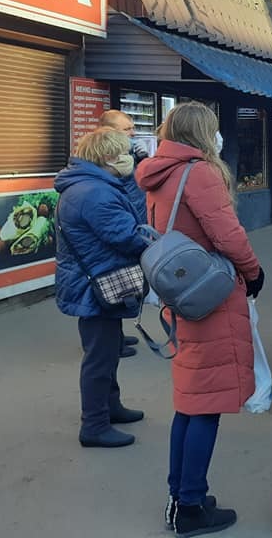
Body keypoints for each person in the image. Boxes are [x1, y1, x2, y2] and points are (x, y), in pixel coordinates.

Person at [136, 102, 265, 537]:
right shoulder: (200, 172)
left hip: (180, 293)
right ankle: (189, 506)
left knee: (190, 404)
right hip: (209, 296)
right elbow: (228, 234)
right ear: (203, 134)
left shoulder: (159, 172)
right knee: (206, 406)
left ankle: (182, 494)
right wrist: (254, 272)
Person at [54, 127, 149, 448]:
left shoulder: (88, 185)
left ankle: (111, 407)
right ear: (108, 156)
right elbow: (128, 234)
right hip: (95, 286)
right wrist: (156, 244)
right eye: (123, 151)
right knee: (99, 358)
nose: (129, 157)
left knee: (106, 353)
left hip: (91, 282)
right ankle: (93, 425)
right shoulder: (95, 193)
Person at [99, 109, 147, 358]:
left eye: (132, 127)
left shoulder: (128, 154)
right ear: (110, 132)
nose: (133, 132)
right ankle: (108, 342)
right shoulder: (107, 158)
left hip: (132, 219)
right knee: (112, 284)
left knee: (120, 286)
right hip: (121, 225)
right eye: (127, 129)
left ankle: (115, 336)